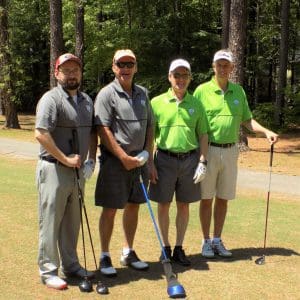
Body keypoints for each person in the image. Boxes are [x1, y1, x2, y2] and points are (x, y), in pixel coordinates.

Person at [193, 49, 279, 258]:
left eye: (226, 65)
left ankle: (217, 239)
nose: (222, 68)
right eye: (219, 65)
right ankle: (205, 241)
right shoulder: (201, 91)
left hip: (231, 151)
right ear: (213, 67)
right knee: (206, 198)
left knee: (223, 198)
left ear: (232, 68)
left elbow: (247, 120)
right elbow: (193, 122)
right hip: (209, 150)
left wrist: (266, 131)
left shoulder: (238, 92)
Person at [35, 53, 97, 290]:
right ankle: (49, 270)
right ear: (57, 73)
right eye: (66, 70)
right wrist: (65, 158)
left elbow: (92, 132)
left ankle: (70, 266)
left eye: (75, 70)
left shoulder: (86, 101)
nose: (72, 74)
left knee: (72, 221)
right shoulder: (51, 99)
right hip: (53, 169)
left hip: (78, 171)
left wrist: (91, 160)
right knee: (51, 221)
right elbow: (41, 133)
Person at [94, 49, 153, 276]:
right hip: (115, 162)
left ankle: (128, 251)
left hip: (139, 161)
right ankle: (105, 255)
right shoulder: (106, 94)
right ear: (114, 67)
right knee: (110, 209)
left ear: (136, 67)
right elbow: (103, 129)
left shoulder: (142, 93)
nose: (126, 69)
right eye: (121, 64)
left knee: (134, 206)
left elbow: (150, 126)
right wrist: (123, 157)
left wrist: (148, 153)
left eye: (130, 64)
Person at [148, 59, 209, 266]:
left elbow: (203, 135)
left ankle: (179, 247)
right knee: (163, 204)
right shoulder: (156, 102)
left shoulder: (197, 104)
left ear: (190, 78)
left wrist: (203, 160)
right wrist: (150, 163)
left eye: (184, 75)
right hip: (164, 159)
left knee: (183, 205)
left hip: (190, 160)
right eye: (177, 75)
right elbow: (150, 136)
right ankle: (164, 247)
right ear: (169, 77)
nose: (180, 79)